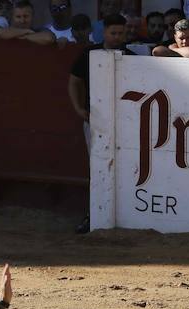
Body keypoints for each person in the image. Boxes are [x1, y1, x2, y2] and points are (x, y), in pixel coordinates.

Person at [69, 14, 133, 234]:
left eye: (121, 33)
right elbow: (74, 81)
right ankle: (93, 214)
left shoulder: (130, 57)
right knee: (97, 168)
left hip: (125, 125)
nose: (117, 37)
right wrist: (79, 109)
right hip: (95, 120)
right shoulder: (89, 53)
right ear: (104, 32)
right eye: (113, 33)